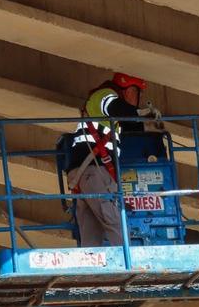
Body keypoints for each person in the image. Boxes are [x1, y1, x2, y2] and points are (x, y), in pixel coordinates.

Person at [63, 73, 161, 247]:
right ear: (128, 90)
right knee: (115, 221)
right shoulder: (105, 95)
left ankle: (93, 270)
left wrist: (146, 121)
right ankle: (130, 263)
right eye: (136, 92)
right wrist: (144, 112)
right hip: (94, 172)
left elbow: (130, 121)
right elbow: (118, 108)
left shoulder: (108, 115)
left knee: (91, 231)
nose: (137, 98)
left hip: (84, 175)